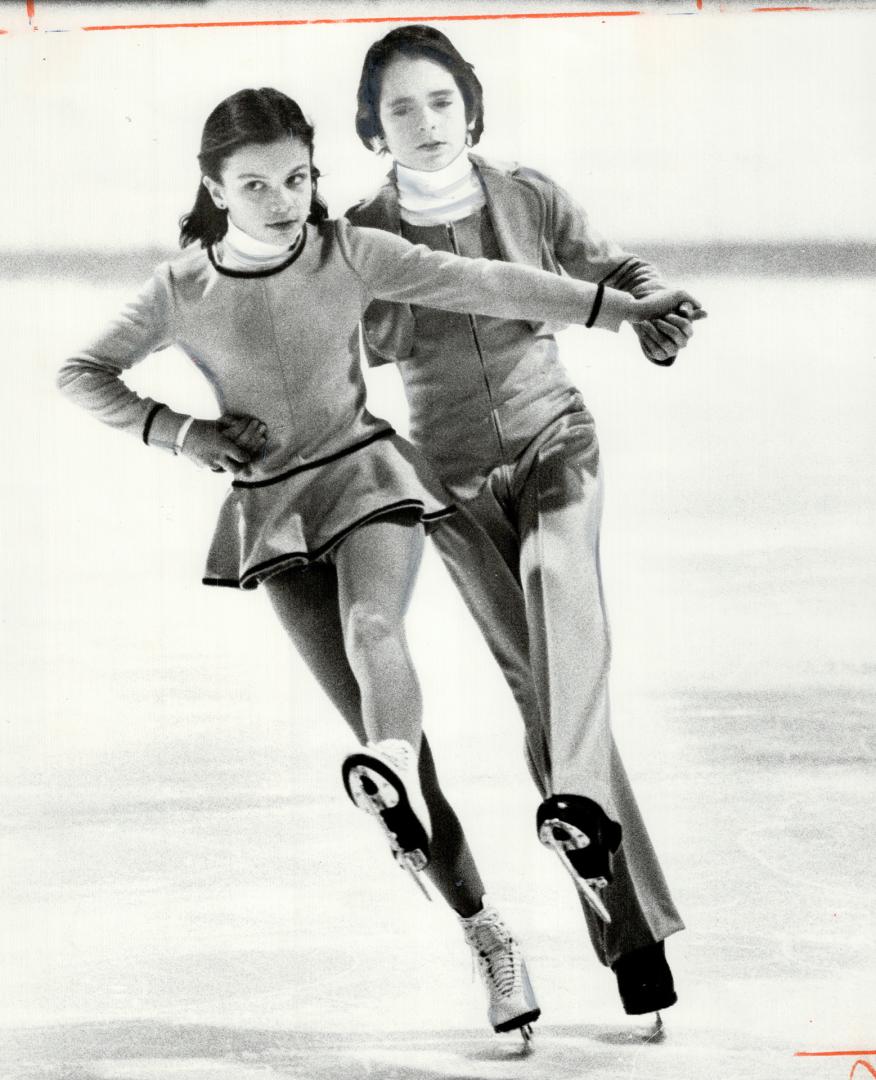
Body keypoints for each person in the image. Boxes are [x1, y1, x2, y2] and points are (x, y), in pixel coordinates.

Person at [58, 86, 701, 1039]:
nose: (283, 199)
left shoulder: (347, 250)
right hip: (270, 511)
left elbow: (488, 283)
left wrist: (613, 307)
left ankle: (387, 758)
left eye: (298, 178)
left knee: (375, 629)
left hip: (369, 481)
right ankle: (484, 927)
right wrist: (182, 433)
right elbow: (81, 373)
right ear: (214, 186)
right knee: (392, 751)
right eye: (257, 184)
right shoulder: (179, 290)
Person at [348, 25, 705, 1020]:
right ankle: (630, 925)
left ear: (470, 102)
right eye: (401, 108)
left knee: (563, 594)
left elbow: (618, 272)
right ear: (373, 127)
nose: (425, 122)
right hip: (453, 490)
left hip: (558, 448)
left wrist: (656, 321)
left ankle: (590, 832)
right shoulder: (362, 236)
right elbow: (336, 361)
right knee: (541, 698)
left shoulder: (531, 196)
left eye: (440, 100)